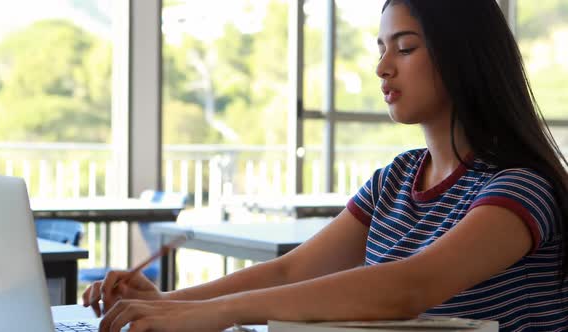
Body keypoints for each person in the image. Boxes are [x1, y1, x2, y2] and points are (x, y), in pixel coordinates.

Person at [83, 1, 568, 331]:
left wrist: (218, 314)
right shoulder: (395, 180)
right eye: (380, 49)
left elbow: (409, 287)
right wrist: (168, 304)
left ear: (464, 57)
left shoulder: (522, 187)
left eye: (405, 47)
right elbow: (289, 272)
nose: (383, 67)